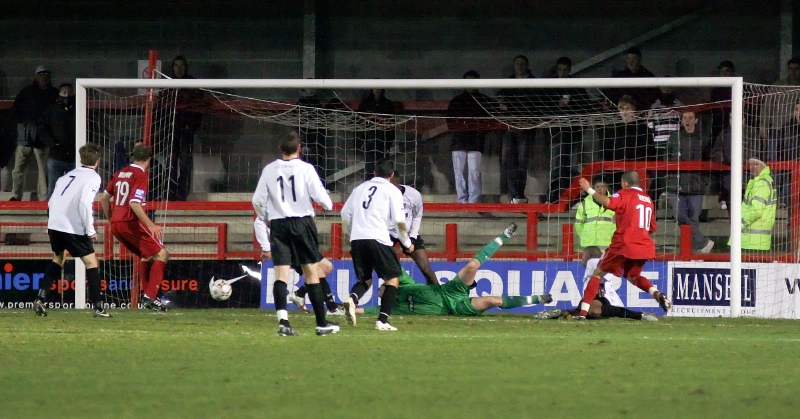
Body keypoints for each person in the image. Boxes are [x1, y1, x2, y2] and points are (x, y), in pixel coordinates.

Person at [356, 223, 553, 317]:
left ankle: (503, 236)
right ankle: (538, 299)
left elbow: (391, 266)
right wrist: (343, 309)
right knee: (493, 300)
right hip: (454, 308)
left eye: (381, 287)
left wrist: (374, 251)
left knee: (472, 265)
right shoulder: (392, 308)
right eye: (381, 291)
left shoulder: (404, 284)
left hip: (448, 290)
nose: (380, 289)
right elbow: (363, 310)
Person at [253, 131, 338, 336]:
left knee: (281, 275)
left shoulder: (269, 169)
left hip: (279, 225)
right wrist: (328, 204)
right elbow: (321, 197)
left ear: (280, 149)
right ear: (299, 148)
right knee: (311, 273)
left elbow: (257, 200)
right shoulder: (306, 168)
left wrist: (267, 218)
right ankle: (321, 324)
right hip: (302, 224)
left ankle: (284, 323)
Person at [576, 171, 672, 319]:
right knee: (633, 276)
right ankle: (656, 293)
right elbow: (652, 227)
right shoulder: (647, 199)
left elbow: (608, 202)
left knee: (597, 274)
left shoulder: (624, 194)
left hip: (623, 244)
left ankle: (582, 313)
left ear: (625, 183)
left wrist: (589, 189)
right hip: (643, 246)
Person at [32, 143, 111, 318]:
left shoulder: (66, 176)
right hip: (72, 227)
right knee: (91, 263)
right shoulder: (93, 178)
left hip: (55, 224)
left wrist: (50, 223)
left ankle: (41, 298)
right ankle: (98, 306)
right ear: (97, 161)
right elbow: (84, 203)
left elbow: (52, 201)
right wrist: (90, 229)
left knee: (58, 258)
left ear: (81, 159)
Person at [340, 158, 411, 331]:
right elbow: (399, 221)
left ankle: (352, 299)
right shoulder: (392, 191)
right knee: (393, 279)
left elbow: (344, 212)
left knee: (365, 279)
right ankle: (382, 321)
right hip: (378, 238)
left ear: (374, 172)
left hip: (357, 238)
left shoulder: (359, 189)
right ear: (392, 174)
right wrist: (407, 243)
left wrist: (352, 233)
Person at [100, 143, 170, 312]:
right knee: (162, 254)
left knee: (147, 255)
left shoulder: (120, 172)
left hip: (116, 224)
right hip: (129, 223)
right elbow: (134, 203)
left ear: (133, 156)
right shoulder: (141, 174)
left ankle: (148, 299)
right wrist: (150, 224)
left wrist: (111, 218)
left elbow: (103, 198)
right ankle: (150, 297)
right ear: (149, 159)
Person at [252, 189, 341, 316]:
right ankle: (332, 309)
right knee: (319, 270)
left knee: (326, 267)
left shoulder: (293, 203)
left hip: (299, 241)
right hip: (289, 246)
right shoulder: (274, 208)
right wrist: (266, 248)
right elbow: (259, 222)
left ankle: (300, 294)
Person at [665, 110, 714, 253]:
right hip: (676, 185)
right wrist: (669, 179)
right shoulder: (674, 138)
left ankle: (692, 251)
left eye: (690, 118)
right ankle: (702, 242)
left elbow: (709, 162)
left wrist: (705, 181)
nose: (687, 120)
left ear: (696, 120)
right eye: (684, 118)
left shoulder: (704, 139)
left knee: (694, 219)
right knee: (679, 216)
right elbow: (666, 159)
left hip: (696, 186)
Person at [10, 65, 58, 201]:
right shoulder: (26, 92)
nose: (44, 76)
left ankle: (44, 198)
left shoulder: (53, 94)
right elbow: (15, 110)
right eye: (41, 74)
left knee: (43, 171)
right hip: (25, 136)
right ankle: (16, 194)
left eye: (46, 74)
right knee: (18, 168)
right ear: (36, 76)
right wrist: (21, 125)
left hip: (42, 138)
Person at [447, 70, 494, 205]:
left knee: (474, 172)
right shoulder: (456, 101)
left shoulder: (484, 100)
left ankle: (474, 201)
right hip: (458, 141)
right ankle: (462, 200)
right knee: (459, 172)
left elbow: (489, 121)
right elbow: (450, 121)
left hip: (476, 142)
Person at [545, 56, 588, 204]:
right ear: (557, 70)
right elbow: (544, 107)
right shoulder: (550, 87)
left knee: (573, 167)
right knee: (557, 166)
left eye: (565, 70)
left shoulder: (576, 86)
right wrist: (557, 105)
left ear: (569, 70)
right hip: (557, 133)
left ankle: (572, 197)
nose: (563, 73)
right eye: (560, 70)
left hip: (574, 132)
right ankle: (554, 196)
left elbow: (585, 106)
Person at [498, 54, 539, 203]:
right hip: (510, 127)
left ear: (527, 66)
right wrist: (501, 103)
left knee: (522, 161)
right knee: (507, 160)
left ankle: (519, 194)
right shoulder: (507, 83)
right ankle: (514, 193)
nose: (520, 66)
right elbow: (500, 97)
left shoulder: (535, 83)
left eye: (522, 64)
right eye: (517, 64)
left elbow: (540, 103)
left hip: (527, 128)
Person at [389, 174, 438, 285]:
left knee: (425, 268)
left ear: (398, 183)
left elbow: (417, 216)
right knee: (392, 271)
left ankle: (438, 295)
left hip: (408, 232)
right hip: (388, 234)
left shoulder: (414, 195)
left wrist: (412, 236)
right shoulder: (383, 195)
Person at [166, 55, 203, 201]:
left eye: (182, 65)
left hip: (187, 130)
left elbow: (199, 107)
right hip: (171, 130)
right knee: (171, 163)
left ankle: (181, 195)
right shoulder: (167, 84)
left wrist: (192, 126)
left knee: (185, 162)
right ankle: (170, 194)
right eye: (176, 65)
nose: (179, 68)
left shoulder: (192, 84)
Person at [601, 96, 654, 189]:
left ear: (633, 110)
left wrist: (647, 172)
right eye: (621, 109)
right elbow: (606, 152)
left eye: (627, 108)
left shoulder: (643, 129)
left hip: (638, 174)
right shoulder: (612, 130)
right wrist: (608, 173)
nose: (624, 112)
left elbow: (650, 152)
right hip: (616, 175)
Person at [729, 157, 776, 251]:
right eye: (751, 164)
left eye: (756, 164)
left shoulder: (761, 183)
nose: (753, 167)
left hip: (752, 241)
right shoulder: (759, 181)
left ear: (764, 166)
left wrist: (740, 223)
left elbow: (756, 211)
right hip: (753, 240)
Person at [39, 83, 76, 200]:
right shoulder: (51, 110)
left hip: (74, 157)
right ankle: (52, 215)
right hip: (56, 156)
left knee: (73, 190)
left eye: (69, 93)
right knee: (54, 190)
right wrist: (52, 143)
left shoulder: (78, 109)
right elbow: (41, 129)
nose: (67, 96)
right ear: (59, 94)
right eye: (64, 93)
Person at [357, 88, 399, 180]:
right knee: (370, 167)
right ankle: (369, 183)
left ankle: (383, 184)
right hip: (369, 141)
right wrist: (361, 141)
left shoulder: (387, 104)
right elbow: (359, 123)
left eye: (379, 88)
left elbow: (392, 124)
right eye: (375, 88)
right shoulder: (365, 103)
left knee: (383, 166)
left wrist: (389, 141)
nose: (377, 90)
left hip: (383, 141)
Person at [575, 178, 615, 249]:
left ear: (607, 188)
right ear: (593, 188)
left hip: (609, 246)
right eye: (597, 187)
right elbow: (578, 224)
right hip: (589, 246)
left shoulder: (614, 203)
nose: (600, 189)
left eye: (602, 186)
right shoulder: (585, 203)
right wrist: (585, 237)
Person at [709, 60, 735, 139]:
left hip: (732, 123)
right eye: (722, 71)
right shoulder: (715, 90)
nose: (724, 73)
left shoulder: (737, 88)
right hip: (718, 123)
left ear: (732, 73)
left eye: (727, 71)